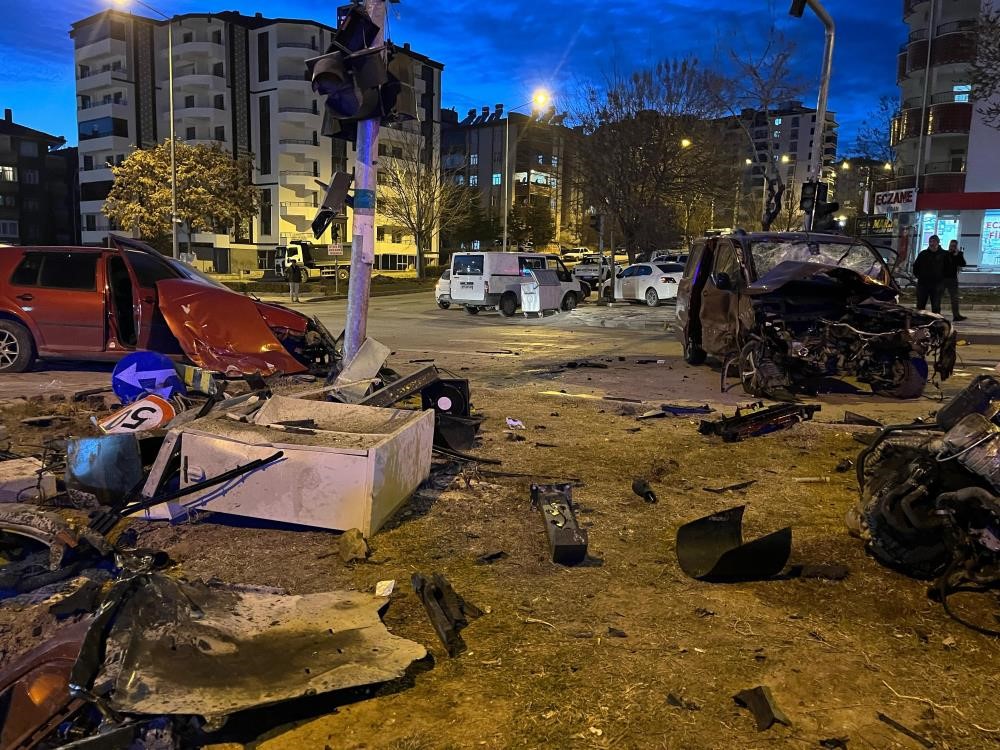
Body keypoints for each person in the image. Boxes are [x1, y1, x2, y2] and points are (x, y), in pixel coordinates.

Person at [912, 234, 946, 314]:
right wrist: (919, 276)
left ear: (938, 242)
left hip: (937, 285)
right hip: (923, 284)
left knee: (936, 306)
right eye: (930, 242)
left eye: (933, 242)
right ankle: (919, 321)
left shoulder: (944, 255)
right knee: (920, 305)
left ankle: (936, 322)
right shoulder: (923, 254)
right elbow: (916, 267)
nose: (931, 244)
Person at [942, 239, 968, 322]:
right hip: (943, 278)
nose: (952, 247)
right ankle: (936, 314)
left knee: (954, 298)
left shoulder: (958, 254)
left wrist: (958, 255)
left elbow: (963, 264)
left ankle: (956, 315)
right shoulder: (945, 254)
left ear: (956, 247)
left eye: (954, 245)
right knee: (937, 297)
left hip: (952, 279)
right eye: (951, 245)